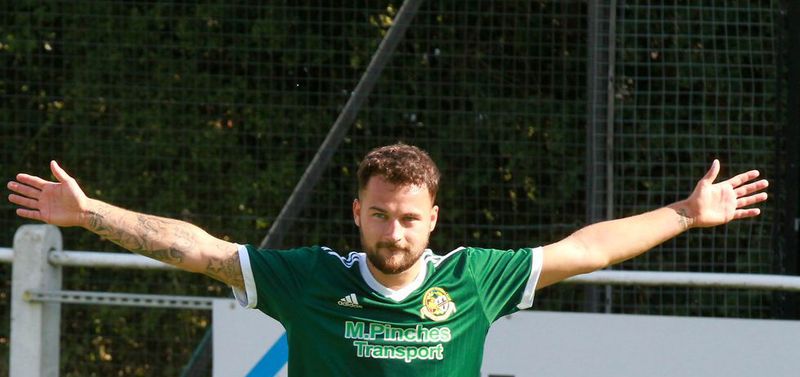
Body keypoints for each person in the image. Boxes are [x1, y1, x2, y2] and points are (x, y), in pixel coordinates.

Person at [7, 143, 768, 376]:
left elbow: (587, 247)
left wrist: (687, 212)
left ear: (433, 218)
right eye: (380, 214)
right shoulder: (310, 279)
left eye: (409, 217)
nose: (394, 231)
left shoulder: (475, 278)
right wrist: (90, 213)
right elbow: (196, 248)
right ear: (357, 214)